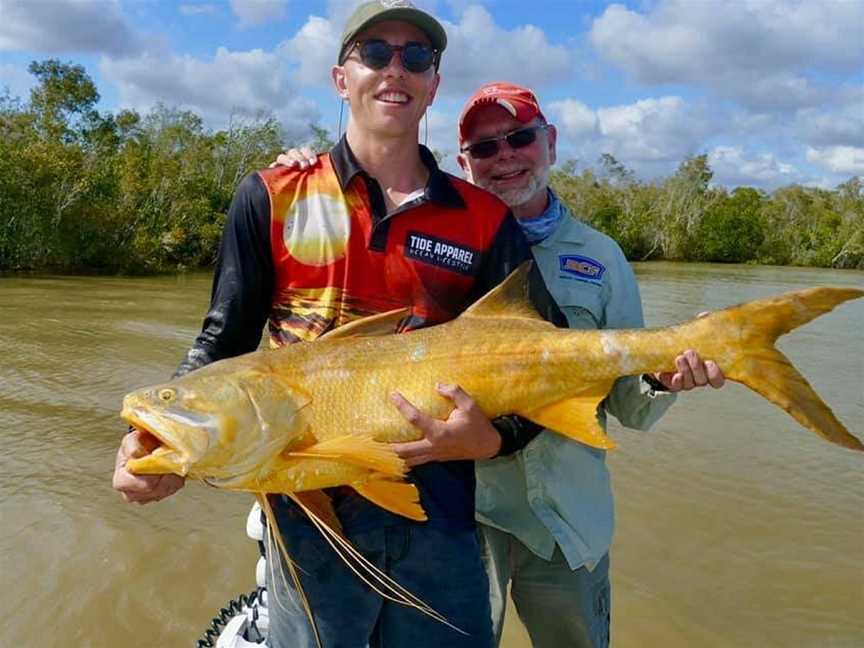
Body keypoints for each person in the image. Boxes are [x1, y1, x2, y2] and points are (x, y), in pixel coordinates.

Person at [112, 4, 532, 647]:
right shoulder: (272, 196)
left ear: (434, 85)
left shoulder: (484, 220)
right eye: (376, 53)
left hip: (443, 516)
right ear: (342, 77)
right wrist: (152, 439)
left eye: (417, 56)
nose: (397, 69)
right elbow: (222, 340)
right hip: (308, 519)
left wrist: (494, 441)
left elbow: (539, 361)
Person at [277, 81, 725, 648]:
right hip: (467, 516)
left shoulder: (602, 256)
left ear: (550, 142)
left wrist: (666, 376)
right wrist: (305, 175)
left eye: (519, 138)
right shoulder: (438, 242)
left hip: (567, 520)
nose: (505, 156)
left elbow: (632, 409)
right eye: (485, 148)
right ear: (464, 163)